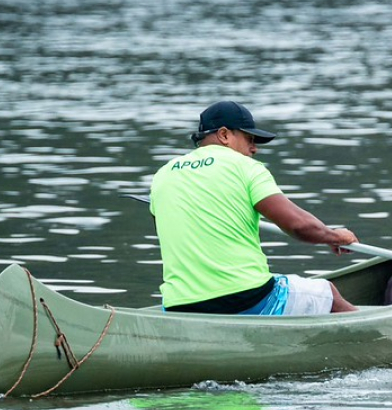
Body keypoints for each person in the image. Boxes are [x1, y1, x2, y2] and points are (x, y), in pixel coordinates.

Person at [149, 100, 359, 315]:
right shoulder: (245, 167)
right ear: (224, 135)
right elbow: (298, 225)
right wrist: (335, 236)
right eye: (249, 139)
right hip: (245, 299)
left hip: (179, 306)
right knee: (327, 293)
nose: (254, 148)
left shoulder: (163, 175)